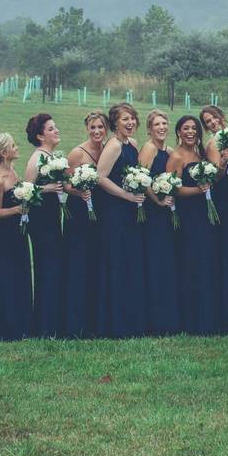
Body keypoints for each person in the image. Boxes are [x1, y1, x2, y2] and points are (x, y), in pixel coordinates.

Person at [96, 103, 147, 338]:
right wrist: (126, 195)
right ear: (115, 123)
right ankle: (115, 322)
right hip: (116, 210)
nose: (130, 123)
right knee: (117, 261)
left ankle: (132, 317)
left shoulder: (132, 144)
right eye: (125, 119)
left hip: (131, 211)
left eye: (133, 119)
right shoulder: (114, 145)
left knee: (130, 261)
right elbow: (100, 177)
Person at [167, 115, 221, 334]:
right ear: (179, 132)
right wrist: (198, 191)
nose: (190, 132)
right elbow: (173, 188)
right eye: (185, 128)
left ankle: (207, 318)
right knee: (191, 264)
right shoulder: (176, 157)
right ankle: (190, 320)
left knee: (206, 263)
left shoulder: (201, 154)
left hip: (205, 214)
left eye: (194, 129)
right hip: (188, 216)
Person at [0, 133, 32, 341]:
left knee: (19, 272)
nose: (17, 147)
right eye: (13, 145)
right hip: (1, 234)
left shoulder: (11, 170)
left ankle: (20, 322)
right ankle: (2, 326)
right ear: (3, 152)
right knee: (3, 276)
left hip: (16, 231)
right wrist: (19, 210)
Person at [63, 111, 107, 337]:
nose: (97, 131)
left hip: (102, 212)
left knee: (98, 262)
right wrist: (79, 191)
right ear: (87, 129)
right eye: (93, 128)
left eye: (101, 127)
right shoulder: (77, 153)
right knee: (80, 262)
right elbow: (65, 185)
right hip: (80, 213)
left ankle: (97, 319)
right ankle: (76, 322)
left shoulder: (108, 149)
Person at [23, 113, 66, 337]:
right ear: (40, 136)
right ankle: (45, 325)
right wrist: (47, 189)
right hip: (41, 223)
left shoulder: (51, 157)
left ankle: (54, 321)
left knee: (54, 268)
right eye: (51, 129)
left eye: (55, 127)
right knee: (47, 268)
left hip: (52, 218)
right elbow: (26, 192)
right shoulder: (36, 159)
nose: (56, 130)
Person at [139, 109, 179, 335]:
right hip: (153, 213)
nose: (162, 127)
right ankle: (155, 320)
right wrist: (158, 200)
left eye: (165, 123)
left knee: (166, 262)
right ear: (150, 129)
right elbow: (142, 179)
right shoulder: (149, 148)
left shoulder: (169, 150)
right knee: (155, 261)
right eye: (157, 124)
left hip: (166, 212)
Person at [200, 105, 228, 332]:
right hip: (224, 196)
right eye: (208, 122)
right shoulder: (213, 143)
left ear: (221, 117)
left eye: (214, 118)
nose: (212, 123)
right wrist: (223, 162)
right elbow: (215, 175)